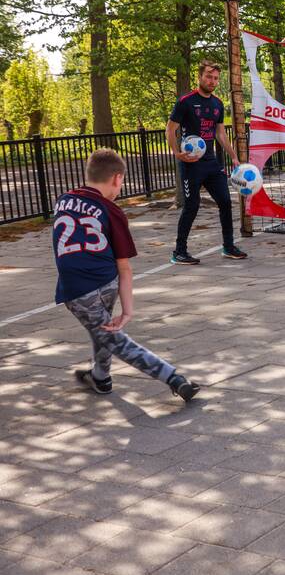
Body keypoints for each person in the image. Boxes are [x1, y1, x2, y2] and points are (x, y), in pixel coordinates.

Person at [54, 149, 199, 401]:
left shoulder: (62, 201)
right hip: (105, 282)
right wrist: (128, 310)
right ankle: (165, 378)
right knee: (110, 335)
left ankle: (109, 377)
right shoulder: (111, 211)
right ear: (117, 178)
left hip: (77, 288)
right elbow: (124, 267)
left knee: (106, 333)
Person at [166, 59, 247, 264]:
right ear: (200, 77)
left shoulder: (217, 104)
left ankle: (228, 246)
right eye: (209, 77)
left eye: (216, 78)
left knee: (225, 202)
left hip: (211, 163)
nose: (212, 81)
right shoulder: (186, 101)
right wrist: (177, 153)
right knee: (191, 206)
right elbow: (170, 129)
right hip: (191, 163)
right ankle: (179, 252)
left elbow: (220, 134)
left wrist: (233, 156)